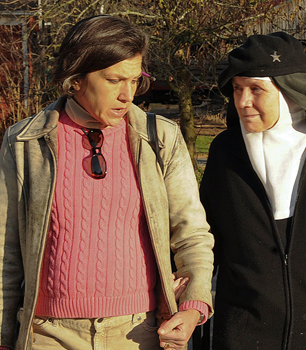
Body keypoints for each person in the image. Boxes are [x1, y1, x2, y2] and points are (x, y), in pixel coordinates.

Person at [0, 15, 214, 350]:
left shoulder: (159, 138)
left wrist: (193, 305)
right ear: (77, 79)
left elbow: (192, 235)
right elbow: (4, 250)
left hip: (139, 334)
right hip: (47, 336)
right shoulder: (26, 142)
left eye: (134, 80)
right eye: (114, 80)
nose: (127, 95)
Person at [200, 31, 306, 350]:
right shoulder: (225, 151)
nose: (243, 102)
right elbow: (206, 233)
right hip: (242, 331)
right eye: (237, 89)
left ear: (289, 93)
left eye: (256, 89)